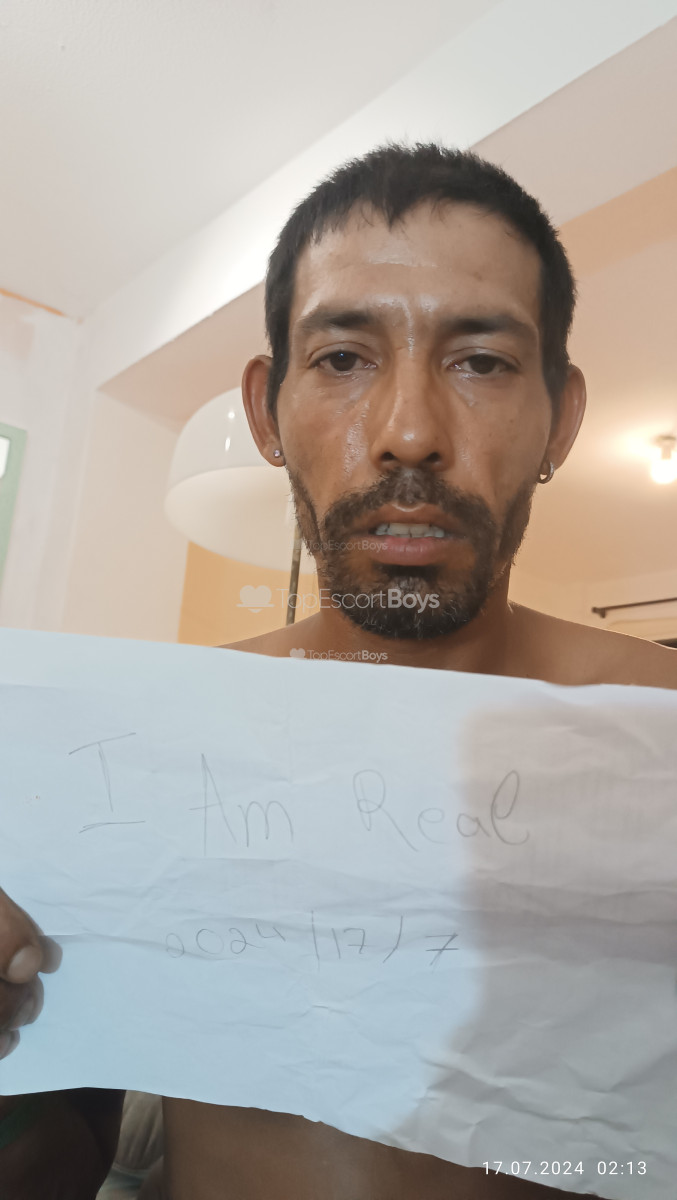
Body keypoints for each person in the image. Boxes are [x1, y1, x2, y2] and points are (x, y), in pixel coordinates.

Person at [1, 142, 675, 1200]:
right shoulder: (132, 759)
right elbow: (59, 1159)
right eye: (343, 358)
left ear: (561, 418)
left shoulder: (658, 729)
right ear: (266, 412)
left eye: (481, 361)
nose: (407, 433)